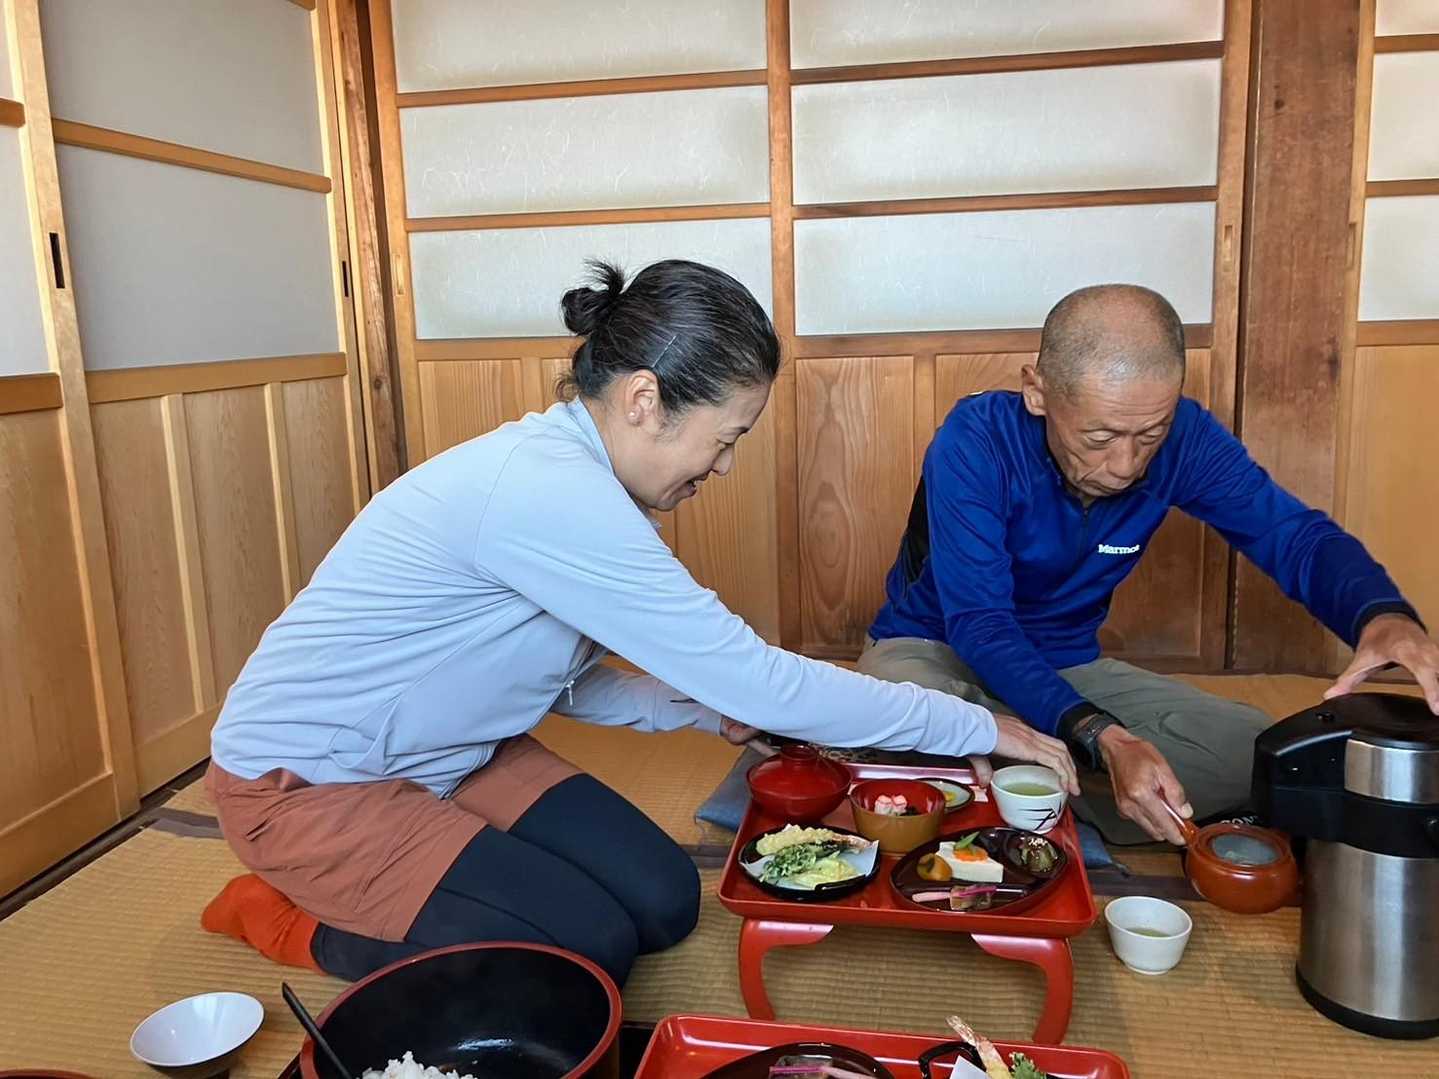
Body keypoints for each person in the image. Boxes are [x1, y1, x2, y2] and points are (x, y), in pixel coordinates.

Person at [200, 259, 1077, 986]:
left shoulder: (592, 489)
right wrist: (979, 725)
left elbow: (563, 682)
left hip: (455, 750)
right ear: (644, 399)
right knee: (583, 953)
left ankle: (425, 882)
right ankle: (292, 919)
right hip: (311, 783)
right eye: (725, 437)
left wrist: (705, 710)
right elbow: (760, 677)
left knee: (663, 902)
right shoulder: (547, 490)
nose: (723, 467)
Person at [862, 284, 1438, 846]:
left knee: (1262, 751)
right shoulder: (976, 440)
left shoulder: (1187, 440)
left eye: (1149, 435)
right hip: (932, 648)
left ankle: (1011, 779)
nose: (1125, 465)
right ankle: (1055, 774)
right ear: (1037, 392)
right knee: (887, 704)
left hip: (1063, 664)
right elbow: (981, 624)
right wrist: (1102, 736)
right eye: (1100, 436)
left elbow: (1293, 537)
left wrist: (1379, 613)